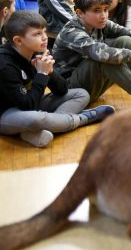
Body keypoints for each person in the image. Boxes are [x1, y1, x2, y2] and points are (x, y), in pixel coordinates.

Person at [0, 11, 115, 148]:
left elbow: (62, 90)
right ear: (18, 40)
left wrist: (50, 71)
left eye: (44, 31)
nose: (44, 38)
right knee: (35, 119)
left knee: (81, 94)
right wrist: (41, 74)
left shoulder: (36, 50)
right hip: (6, 114)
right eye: (37, 34)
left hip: (30, 102)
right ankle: (82, 118)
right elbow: (28, 107)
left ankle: (38, 130)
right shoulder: (4, 65)